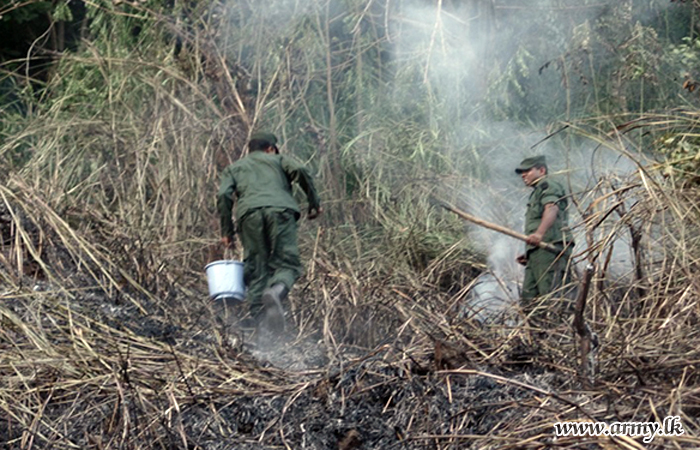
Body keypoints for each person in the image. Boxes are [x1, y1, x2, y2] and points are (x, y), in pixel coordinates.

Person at [217, 132, 322, 334]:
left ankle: (262, 328)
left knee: (256, 268)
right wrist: (314, 203)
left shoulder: (234, 168)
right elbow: (300, 169)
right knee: (287, 263)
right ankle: (275, 291)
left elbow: (223, 195)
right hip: (281, 211)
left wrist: (226, 231)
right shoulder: (278, 159)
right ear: (270, 148)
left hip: (249, 215)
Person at [514, 155, 574, 313]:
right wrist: (530, 253)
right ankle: (535, 336)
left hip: (551, 247)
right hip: (539, 251)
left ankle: (556, 334)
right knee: (529, 301)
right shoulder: (536, 191)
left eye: (527, 170)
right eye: (522, 172)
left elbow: (552, 208)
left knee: (551, 298)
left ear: (542, 170)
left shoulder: (548, 185)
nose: (523, 175)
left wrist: (539, 235)